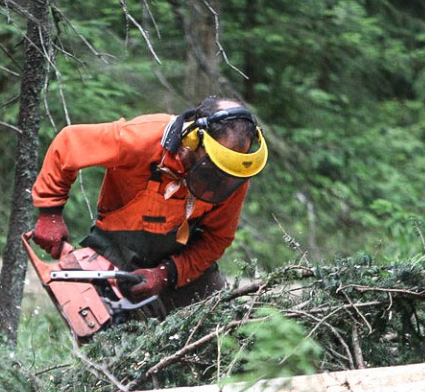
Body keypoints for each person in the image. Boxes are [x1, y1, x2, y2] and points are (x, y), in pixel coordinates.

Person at [30, 96, 268, 313]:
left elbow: (217, 239)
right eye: (215, 165)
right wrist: (50, 213)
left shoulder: (231, 175)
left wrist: (167, 274)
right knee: (98, 322)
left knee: (217, 320)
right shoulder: (143, 138)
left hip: (179, 257)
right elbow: (69, 143)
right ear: (194, 140)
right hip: (115, 249)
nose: (221, 178)